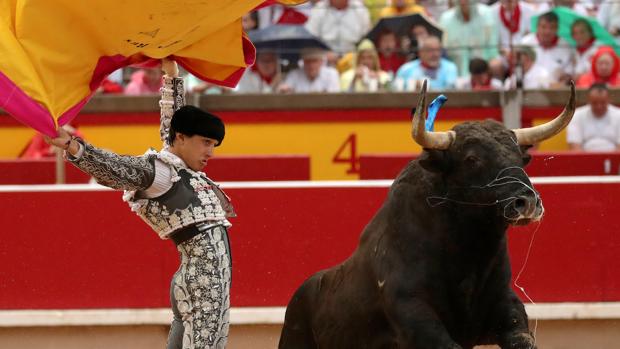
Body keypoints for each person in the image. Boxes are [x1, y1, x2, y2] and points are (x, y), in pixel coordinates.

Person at [44, 59, 236, 349]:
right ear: (183, 139)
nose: (210, 152)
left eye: (213, 145)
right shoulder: (157, 173)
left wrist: (171, 75)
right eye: (205, 142)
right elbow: (116, 166)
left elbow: (173, 123)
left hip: (205, 275)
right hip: (201, 276)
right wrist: (74, 146)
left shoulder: (177, 161)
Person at [439, 0, 500, 77]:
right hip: (455, 67)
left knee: (496, 64)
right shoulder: (445, 18)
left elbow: (492, 49)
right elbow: (444, 50)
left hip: (483, 64)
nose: (463, 2)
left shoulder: (487, 13)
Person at [520, 11, 574, 86]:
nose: (547, 31)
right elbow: (517, 70)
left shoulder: (566, 46)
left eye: (551, 27)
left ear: (557, 28)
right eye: (543, 27)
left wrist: (561, 83)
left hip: (555, 90)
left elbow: (569, 75)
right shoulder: (525, 43)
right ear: (537, 27)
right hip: (528, 88)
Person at [567, 83, 620, 151]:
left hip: (614, 160)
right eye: (595, 103)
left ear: (608, 99)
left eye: (603, 103)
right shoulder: (577, 115)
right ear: (588, 100)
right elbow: (574, 146)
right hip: (585, 159)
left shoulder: (618, 115)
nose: (599, 106)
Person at [305, 0, 371, 55]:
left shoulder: (359, 8)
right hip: (324, 59)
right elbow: (310, 37)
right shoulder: (319, 8)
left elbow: (366, 38)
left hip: (354, 57)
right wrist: (324, 53)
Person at [394, 35, 458, 90]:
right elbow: (395, 88)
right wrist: (412, 86)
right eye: (430, 50)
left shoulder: (450, 67)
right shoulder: (406, 69)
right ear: (420, 52)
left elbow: (451, 88)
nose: (435, 54)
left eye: (438, 50)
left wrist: (427, 86)